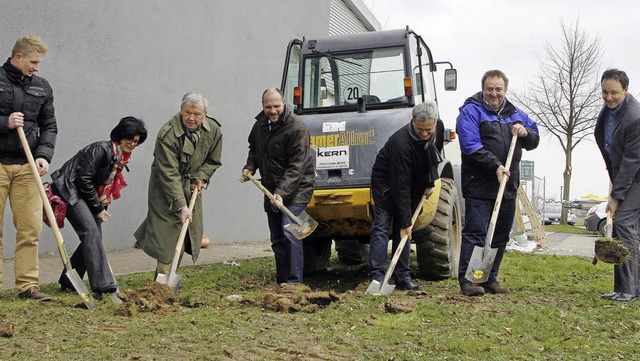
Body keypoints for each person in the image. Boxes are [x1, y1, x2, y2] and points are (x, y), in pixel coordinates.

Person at [456, 69, 539, 297]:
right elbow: (470, 146)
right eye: (490, 89)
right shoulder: (470, 111)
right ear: (483, 89)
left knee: (501, 234)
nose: (494, 93)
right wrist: (495, 166)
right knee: (477, 232)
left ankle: (489, 277)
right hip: (480, 184)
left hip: (507, 186)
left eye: (498, 89)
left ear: (505, 90)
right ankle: (469, 279)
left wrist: (525, 132)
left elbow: (534, 137)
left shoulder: (515, 113)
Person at [51, 117, 147, 298]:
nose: (132, 144)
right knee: (90, 232)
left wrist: (101, 206)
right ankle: (102, 284)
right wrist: (97, 209)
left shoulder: (119, 158)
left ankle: (69, 280)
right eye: (129, 139)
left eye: (136, 141)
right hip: (69, 189)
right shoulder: (101, 149)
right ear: (120, 136)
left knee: (95, 235)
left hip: (84, 193)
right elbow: (83, 179)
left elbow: (103, 184)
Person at [135, 92, 222, 278]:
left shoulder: (213, 129)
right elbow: (168, 172)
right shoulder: (168, 134)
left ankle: (171, 276)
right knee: (167, 237)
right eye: (187, 113)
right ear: (181, 111)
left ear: (205, 114)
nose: (191, 118)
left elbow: (213, 161)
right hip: (164, 188)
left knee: (187, 233)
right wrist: (181, 205)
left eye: (196, 114)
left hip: (191, 187)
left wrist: (202, 177)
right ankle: (162, 281)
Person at [0, 35, 57, 301]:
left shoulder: (42, 87)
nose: (37, 67)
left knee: (31, 228)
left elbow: (49, 127)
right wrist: (5, 122)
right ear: (18, 57)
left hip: (27, 166)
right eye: (33, 62)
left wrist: (44, 155)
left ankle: (28, 285)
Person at [240, 88, 314, 284]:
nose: (272, 110)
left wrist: (282, 193)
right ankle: (283, 281)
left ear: (284, 103)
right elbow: (255, 150)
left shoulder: (297, 128)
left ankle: (294, 283)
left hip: (297, 188)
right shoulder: (260, 126)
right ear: (263, 106)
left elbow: (297, 166)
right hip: (270, 188)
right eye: (268, 107)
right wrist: (250, 167)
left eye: (276, 106)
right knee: (277, 239)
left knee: (291, 234)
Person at [368, 101, 441, 291]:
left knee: (405, 230)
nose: (425, 134)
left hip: (413, 183)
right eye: (420, 130)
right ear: (413, 122)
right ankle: (377, 277)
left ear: (435, 123)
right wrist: (405, 222)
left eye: (428, 130)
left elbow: (434, 158)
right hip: (386, 184)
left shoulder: (437, 128)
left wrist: (429, 183)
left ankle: (403, 277)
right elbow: (400, 186)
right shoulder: (402, 144)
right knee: (383, 227)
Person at [595, 69, 640, 302]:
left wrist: (615, 196)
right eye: (605, 92)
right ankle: (634, 288)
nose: (609, 97)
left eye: (614, 92)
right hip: (625, 175)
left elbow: (632, 161)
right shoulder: (609, 110)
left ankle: (627, 290)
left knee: (623, 226)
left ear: (626, 90)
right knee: (632, 230)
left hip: (636, 177)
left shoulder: (634, 117)